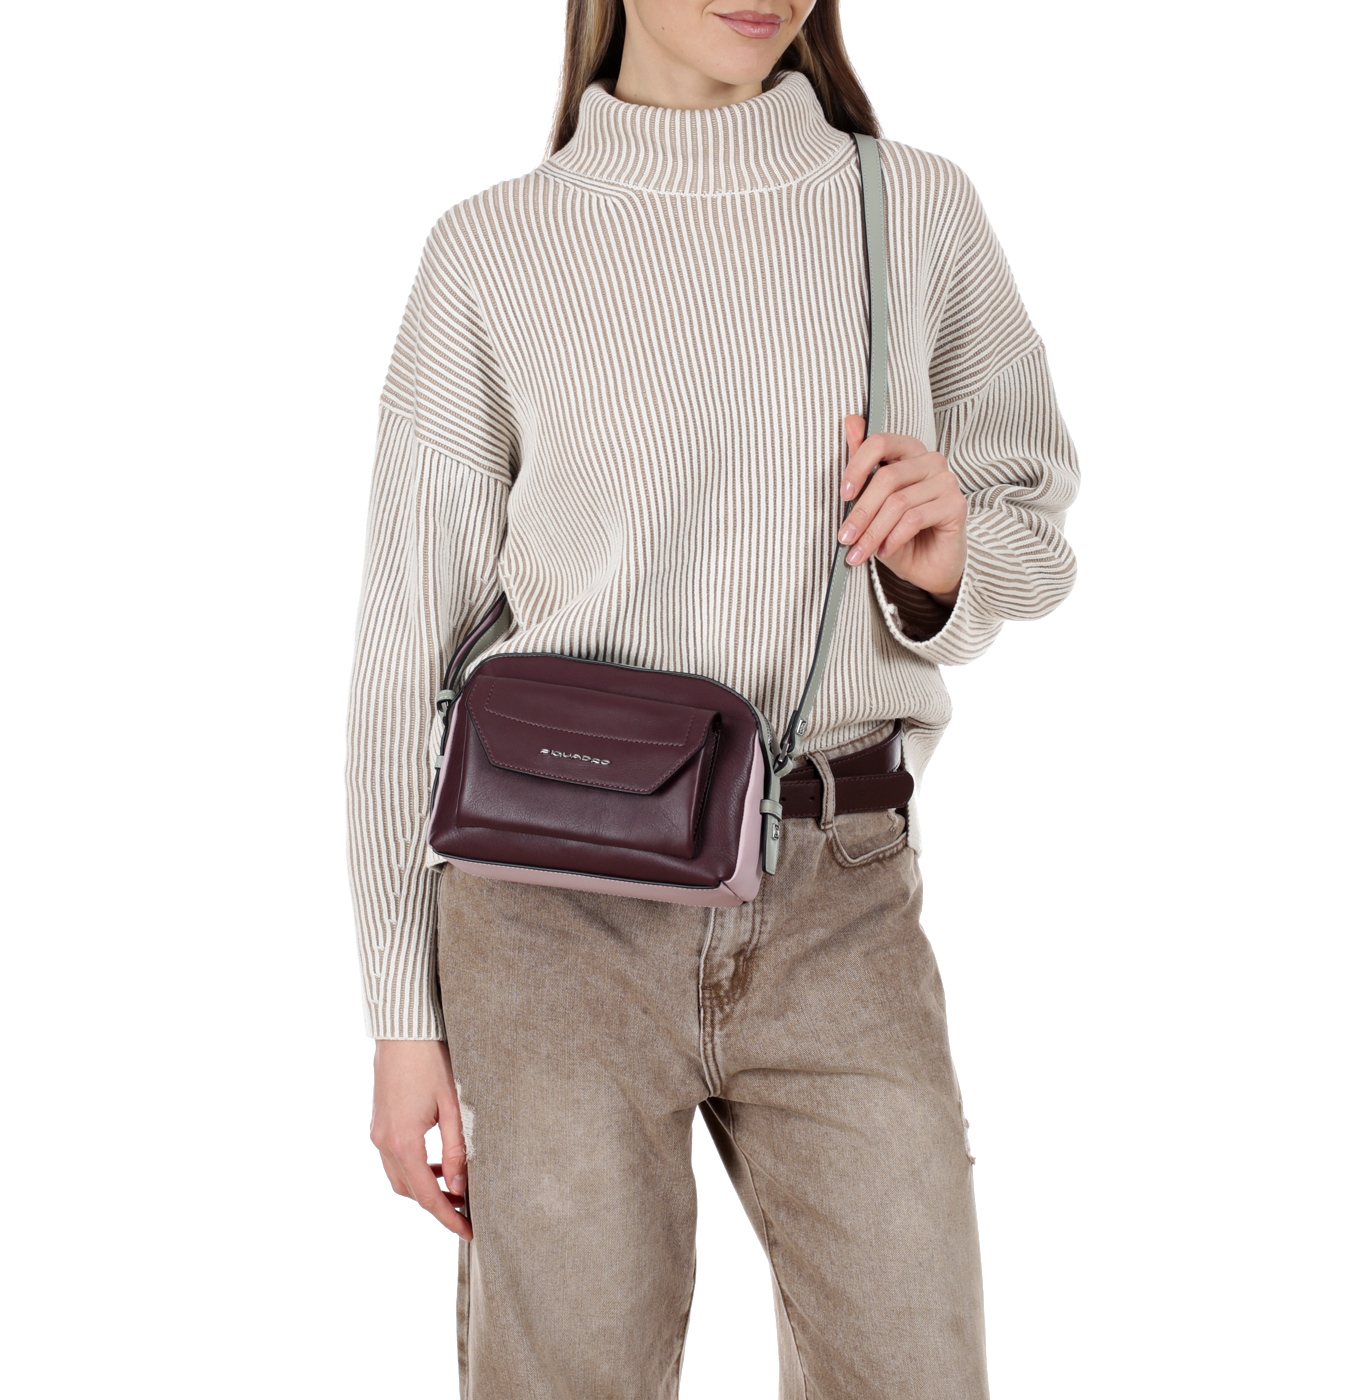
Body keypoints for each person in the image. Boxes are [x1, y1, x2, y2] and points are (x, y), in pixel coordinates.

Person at [346, 2, 1078, 1395]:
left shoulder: (912, 210)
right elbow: (401, 656)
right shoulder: (493, 250)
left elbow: (1030, 532)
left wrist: (945, 561)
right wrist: (401, 1014)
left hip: (840, 895)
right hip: (552, 921)